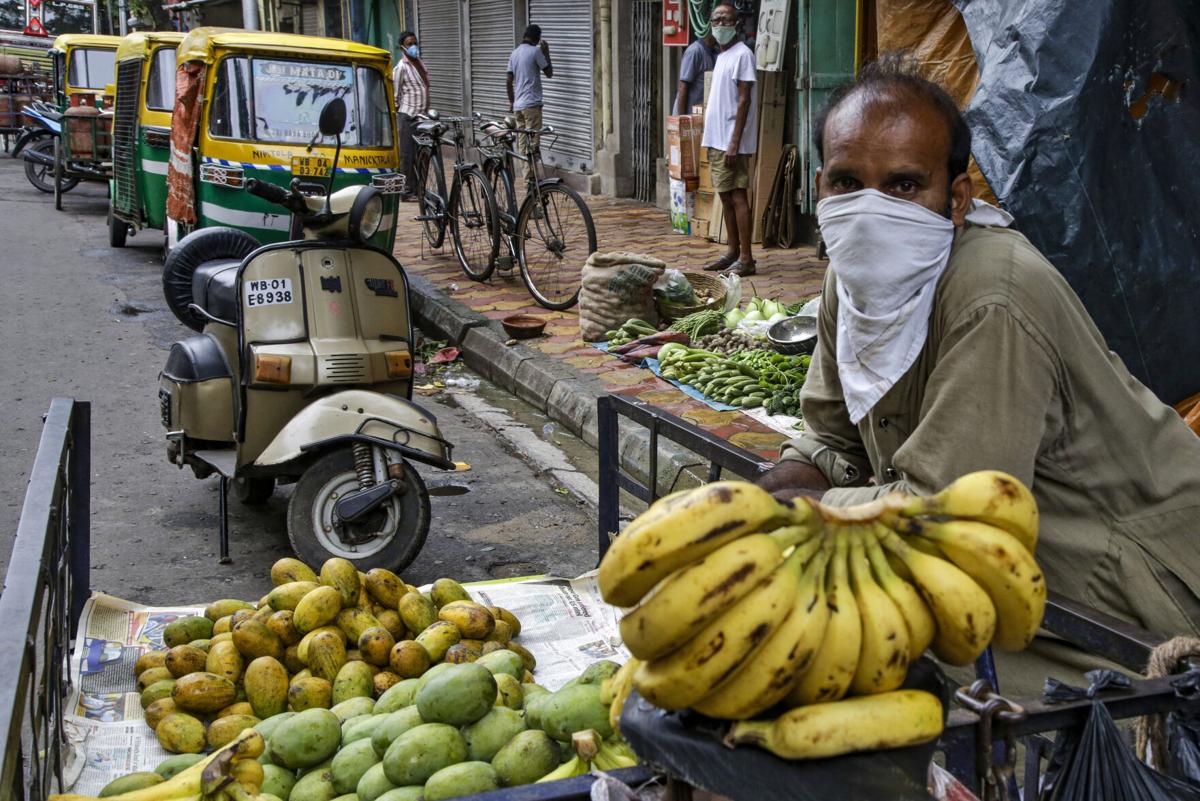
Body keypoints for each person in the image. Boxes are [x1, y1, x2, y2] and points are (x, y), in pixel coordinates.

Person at [755, 53, 1200, 647]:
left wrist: (810, 503)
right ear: (821, 189)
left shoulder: (995, 294)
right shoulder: (848, 278)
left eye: (904, 185)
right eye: (846, 183)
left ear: (956, 199)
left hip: (1126, 587)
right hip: (1001, 566)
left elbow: (950, 514)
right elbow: (831, 435)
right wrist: (770, 486)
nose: (870, 212)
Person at [700, 4, 758, 277]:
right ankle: (733, 252)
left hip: (731, 141)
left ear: (736, 23)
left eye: (726, 19)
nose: (720, 24)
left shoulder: (742, 55)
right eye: (716, 19)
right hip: (717, 139)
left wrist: (734, 142)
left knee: (737, 196)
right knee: (725, 196)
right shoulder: (722, 55)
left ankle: (746, 258)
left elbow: (744, 99)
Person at [506, 24, 552, 181]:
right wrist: (546, 53)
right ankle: (530, 182)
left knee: (523, 146)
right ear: (537, 38)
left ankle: (528, 179)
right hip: (531, 106)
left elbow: (508, 80)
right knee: (533, 146)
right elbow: (549, 73)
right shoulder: (536, 51)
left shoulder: (514, 53)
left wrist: (512, 102)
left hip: (518, 107)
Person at [392, 31, 428, 201]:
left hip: (422, 117)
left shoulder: (419, 63)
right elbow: (395, 95)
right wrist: (400, 114)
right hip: (408, 116)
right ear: (402, 47)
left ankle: (419, 189)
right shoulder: (401, 68)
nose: (413, 46)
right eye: (409, 44)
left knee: (421, 154)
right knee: (407, 155)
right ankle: (406, 192)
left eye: (415, 42)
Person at [673, 29, 718, 116]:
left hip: (701, 114)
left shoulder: (714, 52)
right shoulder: (694, 51)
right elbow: (683, 86)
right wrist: (682, 119)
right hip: (688, 116)